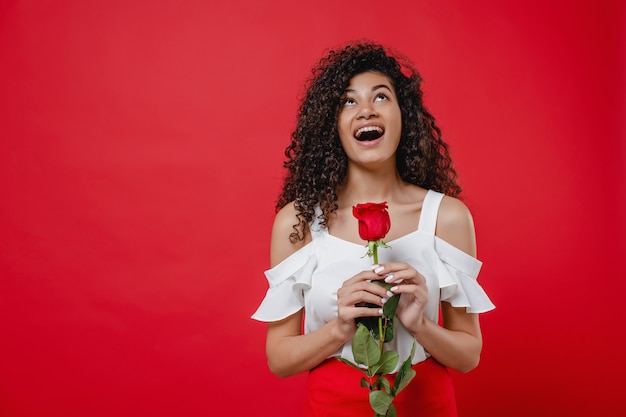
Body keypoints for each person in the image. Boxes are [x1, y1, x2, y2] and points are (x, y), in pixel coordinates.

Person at [252, 41, 494, 416]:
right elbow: (279, 359)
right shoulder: (297, 222)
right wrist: (339, 328)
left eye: (380, 97)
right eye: (349, 101)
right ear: (332, 124)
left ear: (403, 115)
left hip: (425, 404)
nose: (366, 110)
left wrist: (419, 324)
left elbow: (468, 357)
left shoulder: (447, 217)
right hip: (333, 406)